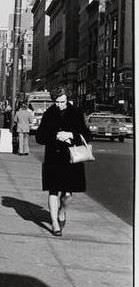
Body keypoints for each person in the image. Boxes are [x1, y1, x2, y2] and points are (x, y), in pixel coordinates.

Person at [35, 87, 90, 237]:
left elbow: (86, 134)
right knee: (53, 191)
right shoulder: (49, 114)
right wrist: (56, 135)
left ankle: (62, 211)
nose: (60, 104)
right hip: (53, 157)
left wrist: (71, 135)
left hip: (71, 157)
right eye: (57, 102)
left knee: (67, 194)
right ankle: (54, 223)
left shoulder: (76, 113)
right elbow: (40, 137)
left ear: (68, 99)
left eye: (63, 101)